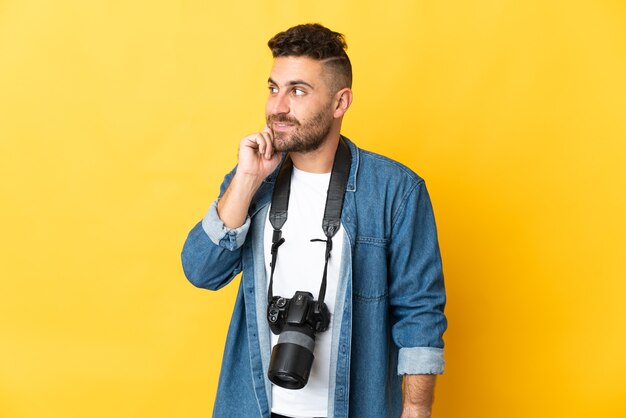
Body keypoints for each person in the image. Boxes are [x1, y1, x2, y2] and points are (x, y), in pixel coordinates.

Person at [181, 23, 447, 418]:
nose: (277, 107)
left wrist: (416, 410)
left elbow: (420, 312)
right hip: (255, 405)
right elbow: (201, 271)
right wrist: (247, 180)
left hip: (355, 405)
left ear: (340, 102)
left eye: (298, 91)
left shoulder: (396, 191)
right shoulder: (250, 180)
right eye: (273, 88)